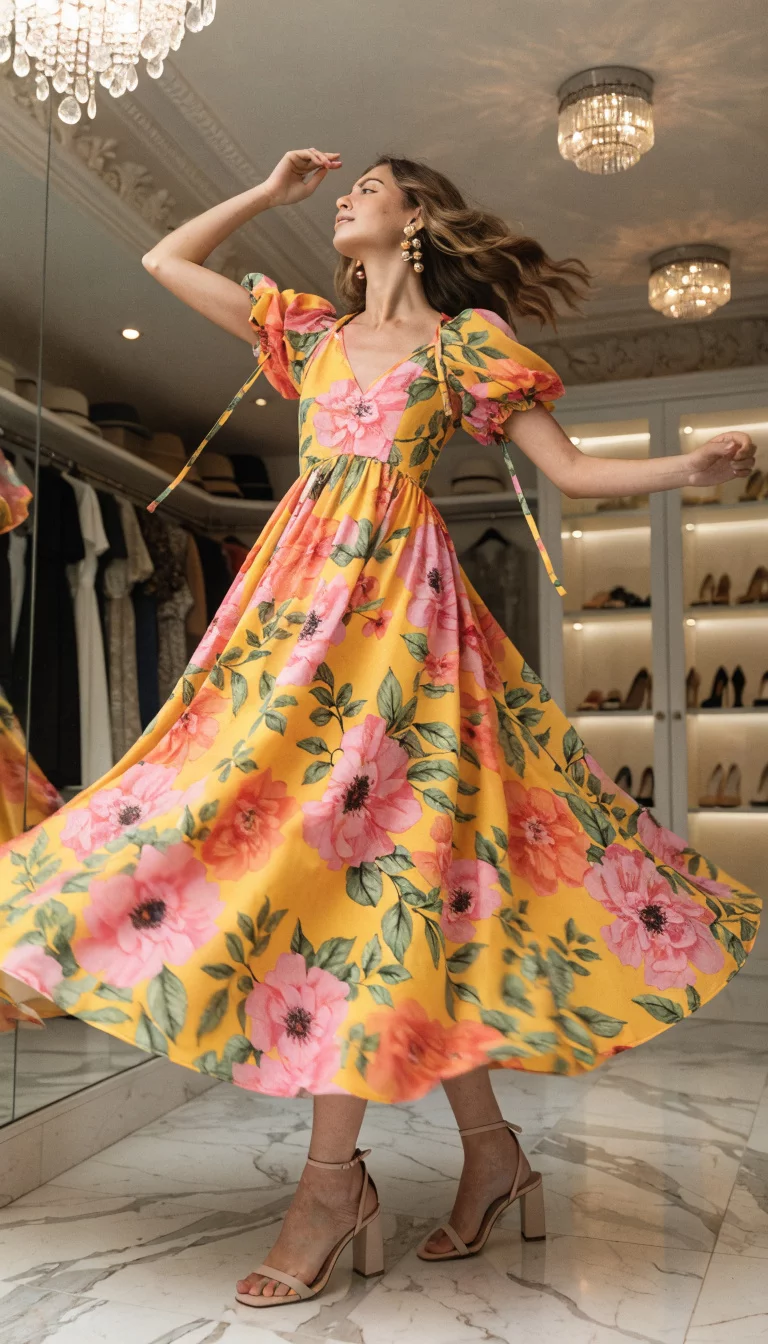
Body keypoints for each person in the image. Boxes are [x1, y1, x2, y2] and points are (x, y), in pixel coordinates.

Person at [0, 149, 761, 1309]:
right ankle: (491, 1155)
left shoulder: (466, 348)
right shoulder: (305, 333)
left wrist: (690, 465)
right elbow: (164, 256)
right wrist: (265, 192)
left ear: (415, 219)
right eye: (342, 188)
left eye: (367, 185)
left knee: (371, 874)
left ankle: (329, 1183)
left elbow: (571, 472)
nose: (345, 195)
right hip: (290, 617)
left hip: (402, 625)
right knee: (367, 869)